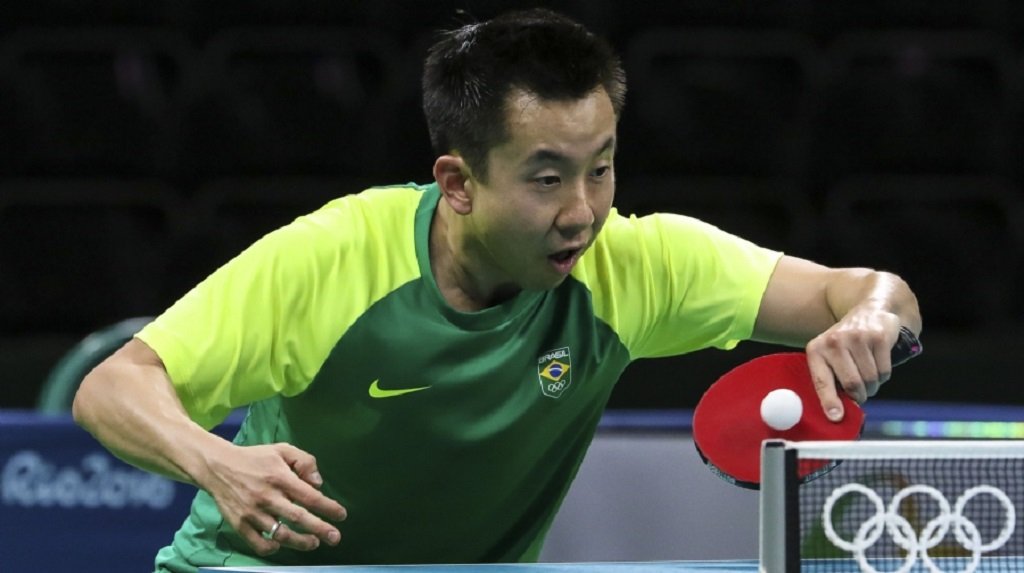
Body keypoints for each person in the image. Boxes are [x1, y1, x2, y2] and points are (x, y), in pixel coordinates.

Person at [72, 8, 922, 572]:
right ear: (458, 181)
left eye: (601, 168)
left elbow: (868, 291)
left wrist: (871, 322)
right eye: (546, 179)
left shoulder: (633, 266)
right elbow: (111, 385)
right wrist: (217, 461)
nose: (581, 211)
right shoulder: (337, 258)